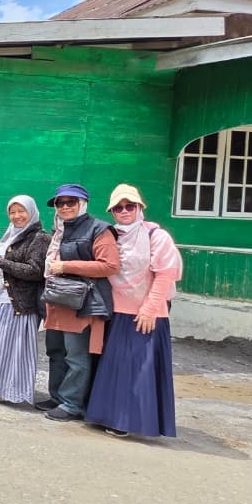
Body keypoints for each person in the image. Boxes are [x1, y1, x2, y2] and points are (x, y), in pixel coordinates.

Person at [86, 184, 183, 437]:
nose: (124, 211)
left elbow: (165, 274)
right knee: (115, 367)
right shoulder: (111, 236)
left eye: (130, 206)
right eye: (118, 207)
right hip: (117, 311)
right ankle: (109, 416)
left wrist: (150, 309)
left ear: (140, 208)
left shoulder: (156, 237)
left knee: (138, 370)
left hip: (145, 314)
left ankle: (131, 422)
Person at [36, 184, 121, 423]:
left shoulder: (99, 229)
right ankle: (57, 396)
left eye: (70, 202)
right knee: (56, 351)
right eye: (60, 203)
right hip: (57, 299)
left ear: (83, 203)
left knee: (76, 355)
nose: (64, 207)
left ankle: (72, 404)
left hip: (81, 303)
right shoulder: (60, 231)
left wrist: (66, 266)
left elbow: (110, 265)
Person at [0, 195, 50, 404]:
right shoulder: (10, 235)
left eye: (21, 211)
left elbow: (36, 270)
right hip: (0, 298)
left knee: (11, 349)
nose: (17, 216)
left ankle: (7, 391)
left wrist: (1, 262)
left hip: (18, 303)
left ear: (31, 212)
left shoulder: (39, 238)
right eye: (12, 212)